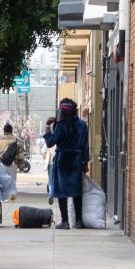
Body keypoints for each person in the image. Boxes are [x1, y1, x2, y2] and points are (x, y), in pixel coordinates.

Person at [43, 98, 89, 229]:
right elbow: (86, 145)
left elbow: (50, 142)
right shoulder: (82, 125)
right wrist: (85, 162)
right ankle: (79, 221)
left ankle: (65, 221)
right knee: (77, 192)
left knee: (61, 191)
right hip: (77, 160)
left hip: (62, 159)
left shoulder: (60, 126)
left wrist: (47, 127)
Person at [0, 123, 24, 201]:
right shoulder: (17, 140)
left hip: (2, 163)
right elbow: (20, 155)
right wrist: (20, 165)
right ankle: (12, 194)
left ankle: (4, 197)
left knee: (3, 179)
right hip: (13, 163)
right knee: (13, 179)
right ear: (11, 131)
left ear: (4, 131)